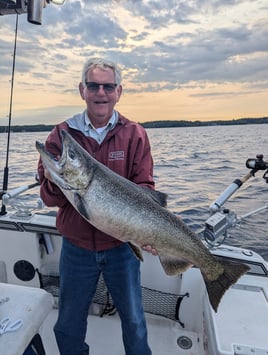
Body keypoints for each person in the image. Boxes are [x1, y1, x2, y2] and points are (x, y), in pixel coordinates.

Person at [37, 57, 157, 355]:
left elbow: (145, 188)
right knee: (68, 323)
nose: (100, 93)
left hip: (122, 247)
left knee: (134, 320)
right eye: (93, 86)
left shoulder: (135, 133)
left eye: (107, 86)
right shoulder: (62, 135)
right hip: (77, 248)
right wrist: (56, 179)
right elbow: (49, 198)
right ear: (82, 90)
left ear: (118, 92)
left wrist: (148, 230)